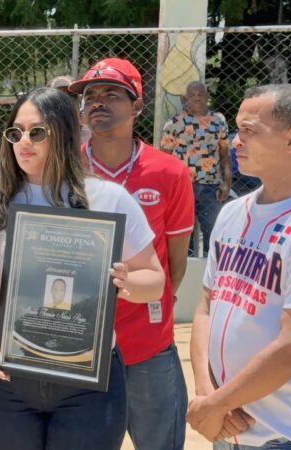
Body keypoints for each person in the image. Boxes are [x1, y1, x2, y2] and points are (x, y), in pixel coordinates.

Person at [0, 86, 164, 450]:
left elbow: (155, 280)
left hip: (88, 381)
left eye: (37, 132)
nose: (24, 142)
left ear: (65, 132)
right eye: (15, 133)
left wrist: (126, 281)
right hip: (7, 378)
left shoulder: (109, 198)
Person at [69, 57, 195, 450]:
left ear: (138, 105)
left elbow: (174, 263)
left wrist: (147, 297)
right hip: (77, 344)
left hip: (147, 346)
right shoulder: (65, 170)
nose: (98, 102)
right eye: (91, 96)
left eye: (112, 94)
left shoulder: (169, 173)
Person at [188, 84, 291, 450]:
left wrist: (216, 405)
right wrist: (208, 396)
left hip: (283, 436)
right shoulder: (232, 212)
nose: (234, 142)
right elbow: (206, 306)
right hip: (226, 428)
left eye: (248, 131)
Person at [160, 81, 233, 257]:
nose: (197, 98)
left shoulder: (218, 120)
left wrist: (227, 183)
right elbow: (164, 159)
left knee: (213, 231)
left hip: (211, 185)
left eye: (201, 94)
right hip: (182, 187)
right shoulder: (174, 123)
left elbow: (225, 154)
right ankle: (185, 270)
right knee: (184, 233)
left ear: (207, 97)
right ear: (185, 99)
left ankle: (212, 272)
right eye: (192, 95)